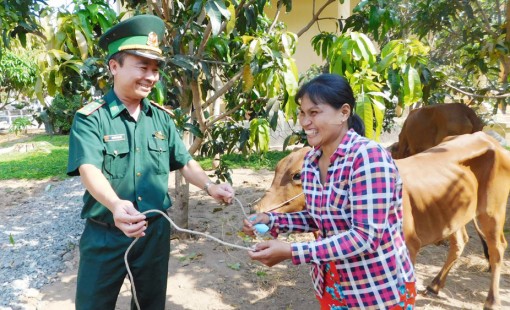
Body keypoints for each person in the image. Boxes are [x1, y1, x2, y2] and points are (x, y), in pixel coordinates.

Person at [67, 14, 234, 310]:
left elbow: (183, 161)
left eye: (155, 69)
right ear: (114, 66)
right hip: (105, 233)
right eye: (142, 67)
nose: (151, 77)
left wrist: (210, 186)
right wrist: (116, 205)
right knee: (92, 304)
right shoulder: (92, 118)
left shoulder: (161, 117)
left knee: (150, 305)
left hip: (153, 234)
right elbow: (88, 168)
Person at [244, 73, 416, 309]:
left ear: (344, 113)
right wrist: (271, 220)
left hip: (376, 291)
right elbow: (321, 218)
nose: (304, 122)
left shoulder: (368, 158)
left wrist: (292, 251)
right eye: (302, 113)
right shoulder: (313, 159)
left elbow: (365, 238)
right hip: (332, 284)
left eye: (314, 113)